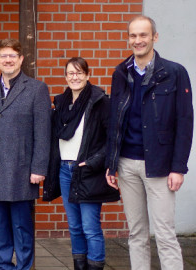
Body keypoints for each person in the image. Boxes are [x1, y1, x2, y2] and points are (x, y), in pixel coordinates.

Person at [105, 15, 193, 270]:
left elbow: (185, 122)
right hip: (127, 165)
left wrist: (179, 167)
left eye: (143, 35)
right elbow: (115, 121)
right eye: (133, 35)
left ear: (155, 37)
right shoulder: (121, 73)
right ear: (128, 39)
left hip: (160, 166)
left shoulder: (174, 73)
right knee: (136, 234)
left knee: (165, 234)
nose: (138, 40)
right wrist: (112, 164)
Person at [0, 38, 51, 270]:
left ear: (21, 59)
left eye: (12, 56)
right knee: (1, 228)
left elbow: (43, 133)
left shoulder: (37, 89)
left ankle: (24, 267)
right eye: (3, 56)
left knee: (22, 229)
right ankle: (3, 266)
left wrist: (39, 168)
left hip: (22, 170)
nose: (8, 60)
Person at [42, 57, 119, 270]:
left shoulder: (100, 102)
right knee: (74, 227)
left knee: (90, 226)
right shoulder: (61, 103)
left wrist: (93, 163)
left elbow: (112, 139)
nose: (74, 77)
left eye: (79, 73)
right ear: (65, 76)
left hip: (88, 171)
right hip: (65, 171)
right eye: (70, 73)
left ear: (87, 75)